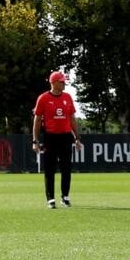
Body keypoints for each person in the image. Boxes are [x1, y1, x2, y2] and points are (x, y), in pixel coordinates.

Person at [31, 71, 84, 207]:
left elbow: (72, 119)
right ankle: (50, 199)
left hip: (65, 137)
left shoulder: (68, 97)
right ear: (53, 83)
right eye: (61, 81)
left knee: (66, 168)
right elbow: (37, 120)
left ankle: (65, 196)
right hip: (50, 137)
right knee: (50, 169)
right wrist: (35, 141)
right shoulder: (43, 98)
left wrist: (77, 138)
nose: (64, 83)